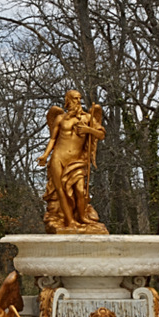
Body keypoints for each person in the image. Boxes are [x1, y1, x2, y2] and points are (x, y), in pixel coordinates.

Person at [37, 90, 108, 234]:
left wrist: (88, 130)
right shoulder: (60, 119)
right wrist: (45, 155)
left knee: (80, 191)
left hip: (77, 161)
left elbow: (101, 135)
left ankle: (82, 217)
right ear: (68, 100)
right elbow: (53, 139)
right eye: (75, 99)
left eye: (79, 99)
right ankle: (70, 222)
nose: (78, 102)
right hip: (58, 158)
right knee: (61, 191)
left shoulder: (88, 118)